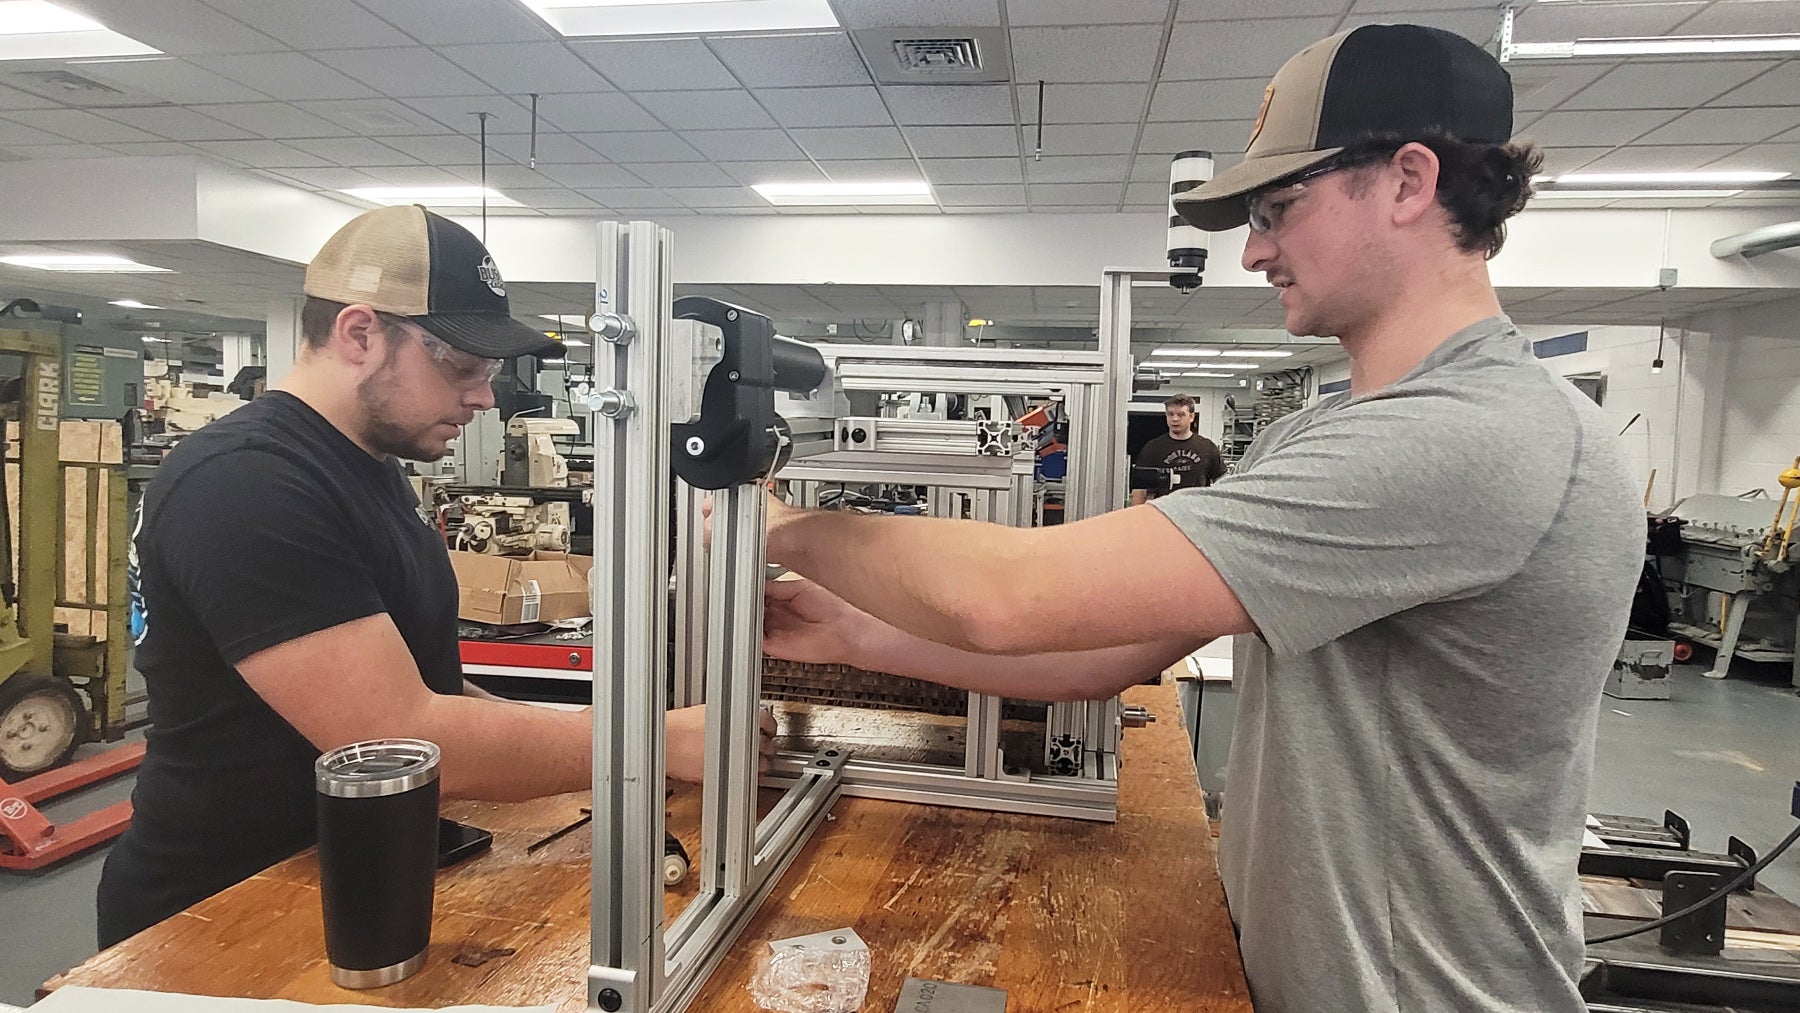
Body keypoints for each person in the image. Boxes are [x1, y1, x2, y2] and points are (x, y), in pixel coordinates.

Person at [751, 24, 1640, 1013]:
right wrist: (854, 632)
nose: (1256, 249)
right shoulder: (1322, 430)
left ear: (1407, 181)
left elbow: (1005, 596)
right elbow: (1101, 658)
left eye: (1278, 207)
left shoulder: (1473, 435)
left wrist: (777, 523)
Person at [97, 206, 773, 947]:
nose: (484, 396)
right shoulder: (245, 485)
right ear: (360, 333)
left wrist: (602, 733)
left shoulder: (370, 467)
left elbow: (430, 688)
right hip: (222, 917)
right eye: (461, 365)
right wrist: (645, 746)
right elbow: (399, 734)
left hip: (344, 877)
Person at [1131, 394, 1225, 504]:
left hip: (1196, 513)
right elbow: (1139, 490)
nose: (1175, 419)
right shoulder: (1152, 449)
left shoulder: (1207, 448)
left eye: (1181, 415)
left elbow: (1221, 483)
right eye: (1170, 414)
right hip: (1164, 513)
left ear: (1191, 417)